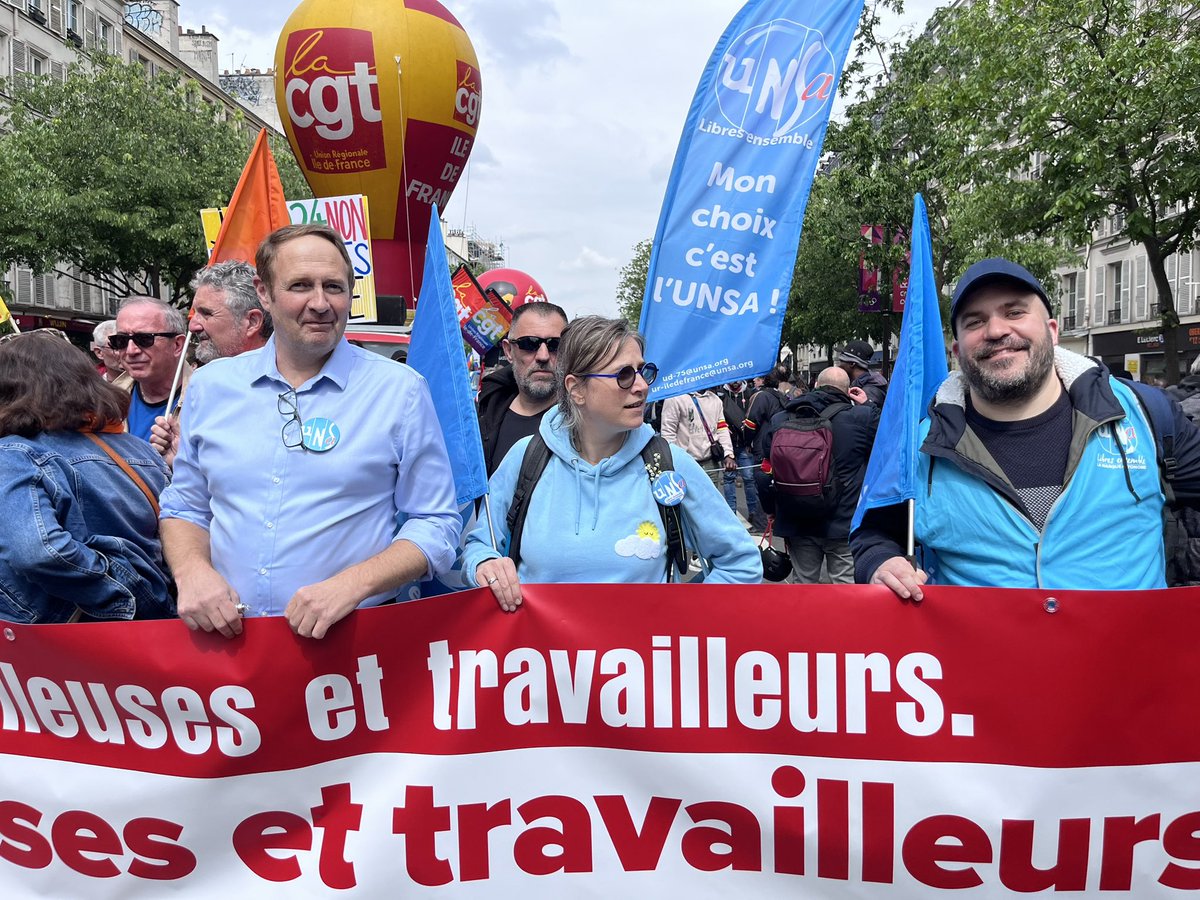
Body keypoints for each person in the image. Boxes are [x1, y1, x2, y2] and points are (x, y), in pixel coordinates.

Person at [159, 223, 461, 639]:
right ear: (263, 293)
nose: (320, 303)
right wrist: (191, 571)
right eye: (301, 285)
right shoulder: (211, 387)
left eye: (334, 287)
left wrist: (352, 585)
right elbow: (186, 506)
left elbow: (437, 523)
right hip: (228, 648)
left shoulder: (401, 392)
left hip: (350, 654)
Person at [851, 257, 1200, 599]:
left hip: (1128, 654)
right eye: (975, 321)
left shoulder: (1145, 416)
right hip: (978, 656)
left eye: (1015, 312)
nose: (997, 330)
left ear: (1051, 331)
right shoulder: (919, 445)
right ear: (957, 351)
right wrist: (880, 562)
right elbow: (875, 532)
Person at [463, 316, 761, 612]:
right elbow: (478, 545)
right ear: (576, 389)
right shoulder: (526, 457)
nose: (642, 386)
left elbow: (741, 562)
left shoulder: (668, 464)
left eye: (644, 371)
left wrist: (681, 620)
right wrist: (484, 564)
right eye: (624, 375)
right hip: (540, 658)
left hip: (640, 658)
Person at [0, 330, 173, 623]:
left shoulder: (14, 454)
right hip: (154, 626)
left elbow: (37, 552)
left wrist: (125, 599)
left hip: (63, 640)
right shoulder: (141, 449)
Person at [758, 366, 878, 583]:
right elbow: (887, 443)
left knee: (804, 585)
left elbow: (765, 472)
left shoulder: (780, 419)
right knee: (845, 589)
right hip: (842, 521)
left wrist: (770, 509)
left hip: (796, 518)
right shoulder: (862, 418)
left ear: (815, 385)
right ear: (848, 390)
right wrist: (868, 404)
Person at [149, 261, 270, 467]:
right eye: (195, 313)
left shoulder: (292, 386)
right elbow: (193, 493)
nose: (193, 325)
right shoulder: (204, 385)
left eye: (206, 313)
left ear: (251, 322)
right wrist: (184, 461)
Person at [477, 301, 568, 475]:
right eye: (529, 344)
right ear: (509, 351)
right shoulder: (481, 414)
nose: (543, 356)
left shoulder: (586, 424)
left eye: (555, 345)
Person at [111, 297, 190, 442]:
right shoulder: (106, 400)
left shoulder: (210, 399)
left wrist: (182, 459)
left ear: (178, 345)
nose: (131, 350)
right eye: (120, 340)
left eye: (144, 339)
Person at [660, 388, 735, 488]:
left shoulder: (715, 400)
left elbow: (722, 428)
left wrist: (728, 454)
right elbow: (668, 433)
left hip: (710, 462)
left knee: (711, 500)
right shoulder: (675, 399)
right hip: (685, 464)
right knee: (689, 501)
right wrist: (673, 462)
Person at [718, 380, 767, 531]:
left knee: (749, 478)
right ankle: (731, 514)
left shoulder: (750, 394)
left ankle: (753, 512)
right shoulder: (721, 395)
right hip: (728, 444)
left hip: (745, 444)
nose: (734, 383)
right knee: (728, 479)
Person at [836, 339, 888, 407]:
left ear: (852, 364)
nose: (838, 365)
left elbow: (865, 416)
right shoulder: (864, 386)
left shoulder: (869, 392)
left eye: (841, 361)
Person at [91, 320, 131, 389]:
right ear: (99, 353)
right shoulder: (89, 384)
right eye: (118, 347)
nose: (129, 351)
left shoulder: (148, 383)